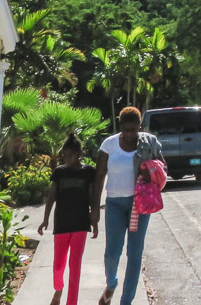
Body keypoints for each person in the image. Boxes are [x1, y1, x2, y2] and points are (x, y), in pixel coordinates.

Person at [91, 106, 164, 305]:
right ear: (120, 125)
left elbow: (163, 170)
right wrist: (95, 209)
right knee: (112, 252)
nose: (130, 134)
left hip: (140, 205)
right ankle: (111, 283)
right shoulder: (109, 145)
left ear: (140, 126)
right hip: (114, 203)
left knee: (134, 253)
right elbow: (99, 177)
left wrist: (152, 172)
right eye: (126, 129)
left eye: (134, 129)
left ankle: (126, 301)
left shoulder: (149, 144)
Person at [39, 135, 98, 305]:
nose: (67, 158)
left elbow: (92, 197)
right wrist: (45, 220)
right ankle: (58, 289)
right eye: (64, 155)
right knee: (58, 265)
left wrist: (94, 222)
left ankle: (71, 302)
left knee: (75, 267)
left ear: (79, 154)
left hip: (80, 224)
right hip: (62, 224)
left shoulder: (88, 172)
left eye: (70, 155)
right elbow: (51, 198)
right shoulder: (59, 172)